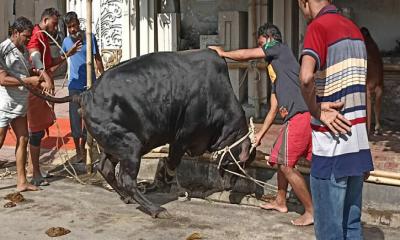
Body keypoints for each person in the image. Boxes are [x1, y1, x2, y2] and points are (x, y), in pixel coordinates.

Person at [209, 23, 313, 226]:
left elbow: (249, 54)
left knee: (286, 165)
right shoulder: (276, 70)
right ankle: (281, 201)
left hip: (300, 116)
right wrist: (259, 135)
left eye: (260, 43)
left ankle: (311, 211)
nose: (260, 48)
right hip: (291, 119)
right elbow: (274, 107)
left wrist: (223, 53)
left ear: (269, 38)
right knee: (277, 158)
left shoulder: (278, 47)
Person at [298, 0, 374, 239]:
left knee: (329, 231)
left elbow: (306, 78)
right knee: (352, 228)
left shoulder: (318, 27)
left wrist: (317, 111)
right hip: (357, 146)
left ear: (304, 2)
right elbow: (364, 93)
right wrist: (366, 145)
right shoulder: (354, 30)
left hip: (332, 149)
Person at [26, 8, 81, 186]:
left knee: (37, 132)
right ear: (45, 19)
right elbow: (36, 60)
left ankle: (33, 168)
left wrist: (68, 55)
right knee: (34, 133)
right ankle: (34, 174)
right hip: (34, 90)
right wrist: (47, 78)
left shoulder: (43, 37)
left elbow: (48, 63)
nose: (56, 28)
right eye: (55, 23)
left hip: (40, 90)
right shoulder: (35, 36)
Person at [0, 16, 53, 192]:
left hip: (20, 105)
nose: (28, 39)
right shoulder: (4, 50)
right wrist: (28, 80)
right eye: (25, 36)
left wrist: (41, 78)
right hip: (5, 105)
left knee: (23, 139)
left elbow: (27, 69)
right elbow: (2, 79)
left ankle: (22, 181)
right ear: (15, 33)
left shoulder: (21, 49)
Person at [62, 11, 104, 162]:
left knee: (88, 118)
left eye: (74, 25)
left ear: (79, 24)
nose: (73, 29)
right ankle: (78, 151)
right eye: (69, 27)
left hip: (89, 85)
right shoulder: (66, 41)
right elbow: (62, 58)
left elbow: (97, 58)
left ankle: (86, 148)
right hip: (74, 85)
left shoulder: (90, 37)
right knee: (75, 119)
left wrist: (103, 77)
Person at [360, 27, 384, 136]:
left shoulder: (364, 46)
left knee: (368, 101)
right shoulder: (374, 46)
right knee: (377, 102)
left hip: (369, 79)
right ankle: (377, 125)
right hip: (379, 80)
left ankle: (368, 129)